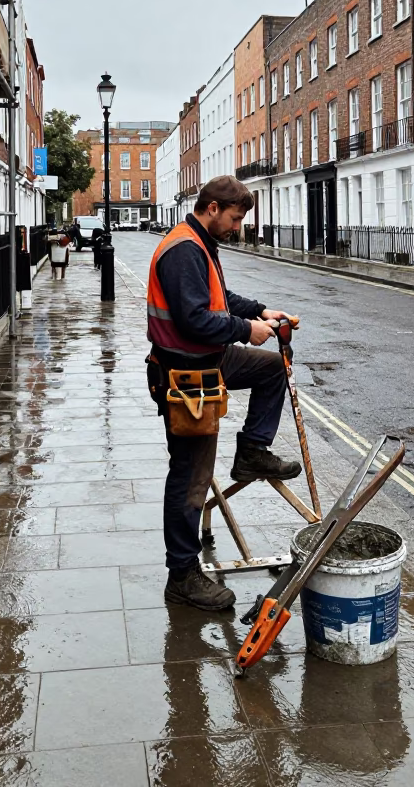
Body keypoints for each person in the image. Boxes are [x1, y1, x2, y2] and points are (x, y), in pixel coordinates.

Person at [146, 175, 301, 612]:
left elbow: (218, 298)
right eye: (234, 218)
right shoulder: (183, 249)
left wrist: (259, 311)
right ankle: (182, 575)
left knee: (273, 368)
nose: (237, 227)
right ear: (212, 208)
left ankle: (252, 451)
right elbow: (196, 319)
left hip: (209, 360)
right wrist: (247, 330)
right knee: (191, 476)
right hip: (185, 376)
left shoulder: (200, 242)